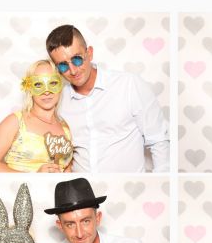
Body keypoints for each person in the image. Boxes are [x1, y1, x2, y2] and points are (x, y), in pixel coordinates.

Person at [46, 24, 169, 173]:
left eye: (77, 59)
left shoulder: (128, 85)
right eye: (63, 66)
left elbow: (159, 139)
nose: (72, 70)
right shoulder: (59, 100)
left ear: (89, 53)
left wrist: (160, 183)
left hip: (129, 186)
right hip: (82, 187)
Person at [0, 59, 73, 173]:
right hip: (22, 185)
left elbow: (67, 168)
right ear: (29, 88)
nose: (47, 91)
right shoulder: (15, 122)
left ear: (61, 85)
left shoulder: (65, 127)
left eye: (53, 83)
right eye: (38, 84)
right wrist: (34, 178)